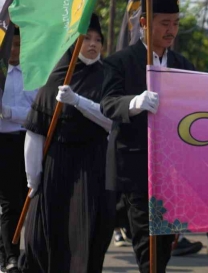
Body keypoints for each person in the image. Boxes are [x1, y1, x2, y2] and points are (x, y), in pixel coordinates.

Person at [101, 0, 202, 273]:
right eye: (164, 23)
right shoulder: (119, 62)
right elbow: (108, 103)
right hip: (137, 166)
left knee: (165, 239)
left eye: (176, 23)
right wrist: (134, 102)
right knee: (148, 239)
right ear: (144, 23)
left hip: (175, 169)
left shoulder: (184, 66)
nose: (171, 30)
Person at [23, 14, 115, 272]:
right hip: (57, 164)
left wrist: (79, 103)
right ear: (75, 42)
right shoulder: (57, 77)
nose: (94, 45)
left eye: (98, 39)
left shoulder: (109, 76)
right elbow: (36, 131)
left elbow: (112, 121)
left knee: (89, 231)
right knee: (45, 235)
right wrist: (33, 177)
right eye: (87, 39)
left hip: (92, 165)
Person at [0, 28, 38, 273]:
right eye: (10, 45)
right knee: (8, 203)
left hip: (26, 142)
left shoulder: (33, 75)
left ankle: (16, 253)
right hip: (2, 143)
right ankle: (10, 257)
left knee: (26, 200)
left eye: (19, 45)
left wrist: (10, 113)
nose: (15, 51)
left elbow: (37, 114)